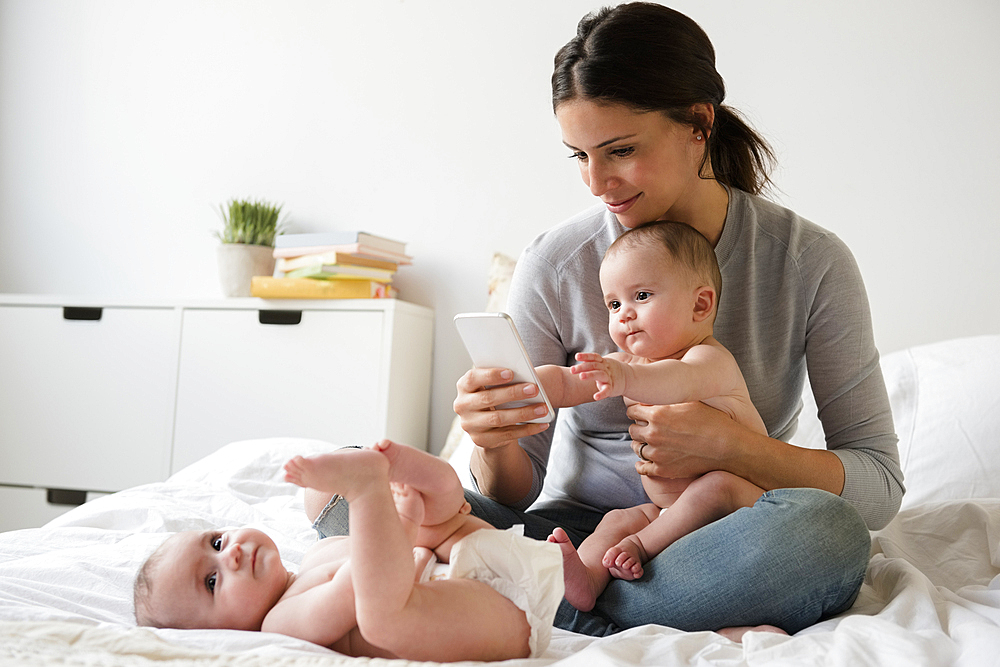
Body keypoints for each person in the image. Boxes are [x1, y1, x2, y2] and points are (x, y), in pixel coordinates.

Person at [452, 2, 902, 640]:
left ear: (699, 123)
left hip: (712, 535)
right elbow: (510, 498)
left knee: (823, 535)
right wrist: (494, 435)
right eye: (578, 156)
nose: (597, 182)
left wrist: (731, 448)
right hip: (578, 533)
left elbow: (879, 485)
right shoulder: (556, 262)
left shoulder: (809, 262)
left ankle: (558, 604)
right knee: (364, 487)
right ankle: (593, 597)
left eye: (621, 150)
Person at [132, 441, 563, 661]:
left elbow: (389, 555)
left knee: (442, 517)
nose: (232, 556)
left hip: (480, 568)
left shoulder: (319, 555)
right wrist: (401, 525)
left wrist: (415, 525)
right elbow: (356, 588)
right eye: (212, 582)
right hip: (496, 623)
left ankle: (415, 475)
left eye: (217, 542)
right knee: (381, 621)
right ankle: (369, 485)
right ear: (216, 634)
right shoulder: (280, 624)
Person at [534, 220, 770, 614]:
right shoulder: (631, 364)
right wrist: (529, 383)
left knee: (716, 486)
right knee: (616, 521)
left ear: (700, 305)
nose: (624, 314)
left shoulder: (710, 360)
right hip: (667, 516)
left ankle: (641, 549)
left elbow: (677, 382)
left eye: (641, 296)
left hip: (739, 508)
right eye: (613, 304)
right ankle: (587, 577)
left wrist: (624, 376)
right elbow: (571, 381)